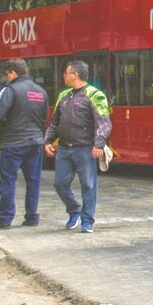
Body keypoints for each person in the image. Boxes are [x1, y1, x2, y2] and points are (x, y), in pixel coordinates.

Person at [43, 61, 112, 233]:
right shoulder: (64, 96)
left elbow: (103, 123)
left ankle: (87, 220)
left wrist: (99, 144)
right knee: (60, 183)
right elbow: (54, 122)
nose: (64, 76)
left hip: (85, 148)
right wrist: (48, 141)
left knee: (88, 184)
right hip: (65, 148)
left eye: (66, 73)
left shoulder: (95, 95)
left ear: (75, 75)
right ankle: (74, 210)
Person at [0, 58, 49, 229]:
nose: (6, 78)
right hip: (35, 142)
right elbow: (44, 118)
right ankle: (31, 216)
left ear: (13, 73)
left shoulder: (11, 90)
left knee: (8, 180)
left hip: (13, 143)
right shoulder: (41, 91)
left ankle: (5, 218)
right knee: (33, 181)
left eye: (7, 74)